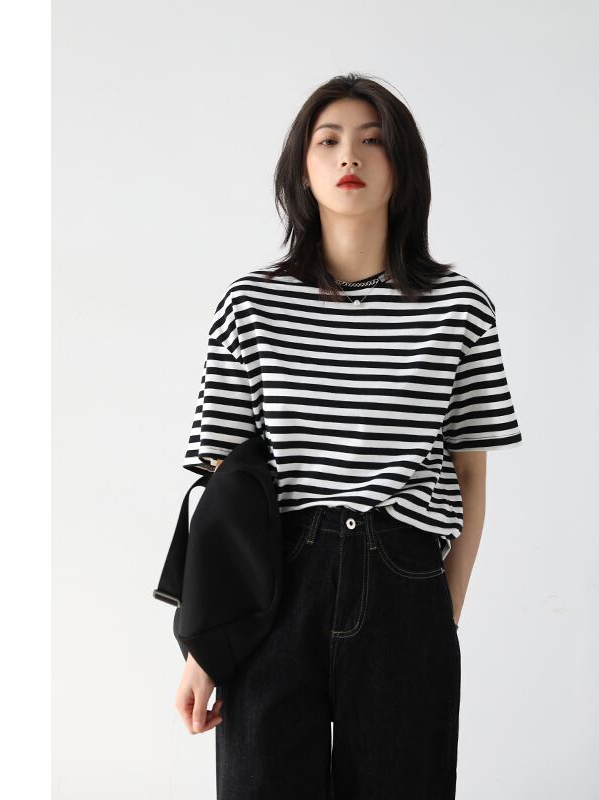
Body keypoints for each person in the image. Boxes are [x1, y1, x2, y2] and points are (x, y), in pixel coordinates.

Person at [173, 73, 523, 799]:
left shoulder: (459, 308)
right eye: (327, 141)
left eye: (372, 140)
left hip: (405, 579)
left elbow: (470, 476)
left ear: (403, 165)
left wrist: (443, 611)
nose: (349, 157)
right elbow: (221, 487)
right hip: (275, 585)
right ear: (301, 168)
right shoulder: (252, 304)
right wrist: (204, 644)